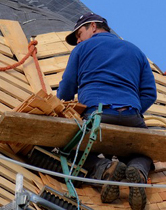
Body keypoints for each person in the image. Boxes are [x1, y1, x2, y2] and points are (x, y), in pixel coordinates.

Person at [57, 12, 156, 210]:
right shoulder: (135, 50)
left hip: (97, 116)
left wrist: (60, 106)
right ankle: (137, 171)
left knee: (72, 151)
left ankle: (105, 169)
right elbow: (149, 93)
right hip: (131, 116)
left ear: (93, 26)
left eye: (79, 34)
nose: (78, 40)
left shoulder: (83, 48)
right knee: (144, 154)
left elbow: (67, 88)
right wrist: (132, 109)